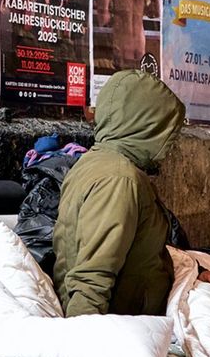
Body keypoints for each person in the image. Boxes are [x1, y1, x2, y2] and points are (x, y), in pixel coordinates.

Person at [53, 70, 185, 317]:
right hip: (128, 324)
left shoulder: (95, 161)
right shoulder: (118, 180)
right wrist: (83, 347)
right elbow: (92, 279)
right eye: (168, 132)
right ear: (147, 127)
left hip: (135, 314)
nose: (172, 145)